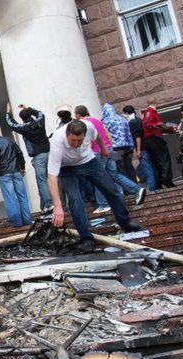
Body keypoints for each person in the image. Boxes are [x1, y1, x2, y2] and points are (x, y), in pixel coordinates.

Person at [48, 120, 142, 253]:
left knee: (111, 190)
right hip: (66, 168)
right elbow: (51, 176)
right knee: (75, 200)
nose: (76, 144)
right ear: (67, 135)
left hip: (88, 161)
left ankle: (125, 222)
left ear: (85, 135)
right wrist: (57, 206)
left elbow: (97, 136)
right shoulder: (57, 141)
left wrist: (103, 148)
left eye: (79, 140)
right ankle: (86, 238)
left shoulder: (89, 127)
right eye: (72, 140)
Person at [74, 105, 146, 213]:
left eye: (75, 114)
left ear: (78, 114)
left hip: (97, 152)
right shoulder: (98, 121)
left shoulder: (83, 124)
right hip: (108, 149)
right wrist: (110, 147)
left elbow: (87, 140)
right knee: (114, 175)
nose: (74, 116)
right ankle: (136, 190)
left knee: (97, 177)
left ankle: (103, 204)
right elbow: (107, 134)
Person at [5, 102, 53, 214]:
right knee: (53, 178)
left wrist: (8, 112)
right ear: (31, 115)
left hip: (38, 156)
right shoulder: (40, 121)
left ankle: (49, 204)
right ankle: (55, 202)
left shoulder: (25, 128)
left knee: (42, 180)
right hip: (50, 153)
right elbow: (40, 113)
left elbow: (12, 124)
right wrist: (28, 108)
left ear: (22, 118)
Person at [0, 126, 32, 227]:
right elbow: (19, 153)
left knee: (10, 198)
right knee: (22, 196)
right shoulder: (9, 140)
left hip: (4, 174)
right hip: (16, 171)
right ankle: (28, 221)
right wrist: (22, 167)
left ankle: (17, 223)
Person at [142, 97, 177, 188]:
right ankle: (166, 179)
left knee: (155, 162)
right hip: (154, 138)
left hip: (150, 139)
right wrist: (157, 125)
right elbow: (148, 124)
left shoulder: (149, 112)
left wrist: (170, 130)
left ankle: (158, 183)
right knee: (164, 159)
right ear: (156, 103)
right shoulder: (150, 111)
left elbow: (155, 127)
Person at [101, 103, 137, 184]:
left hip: (116, 148)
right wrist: (132, 146)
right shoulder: (122, 119)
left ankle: (129, 189)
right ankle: (136, 186)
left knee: (121, 169)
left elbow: (105, 136)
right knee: (129, 167)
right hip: (127, 147)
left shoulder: (105, 122)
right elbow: (129, 134)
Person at [124, 105, 156, 191]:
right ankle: (153, 185)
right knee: (149, 166)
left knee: (147, 168)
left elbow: (137, 137)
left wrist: (138, 150)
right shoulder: (139, 120)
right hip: (147, 146)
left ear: (126, 113)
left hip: (142, 148)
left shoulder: (132, 122)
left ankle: (152, 188)